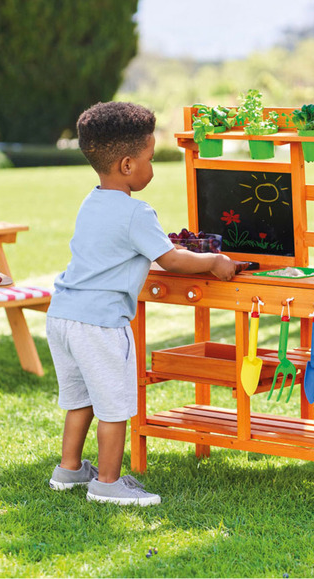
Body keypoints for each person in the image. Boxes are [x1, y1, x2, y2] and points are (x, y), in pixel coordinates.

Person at [47, 101, 236, 506]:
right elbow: (171, 259)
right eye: (151, 159)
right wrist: (214, 261)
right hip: (100, 323)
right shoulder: (137, 212)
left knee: (80, 399)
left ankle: (70, 469)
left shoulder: (91, 200)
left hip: (63, 315)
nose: (153, 168)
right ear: (128, 165)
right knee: (114, 405)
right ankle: (108, 484)